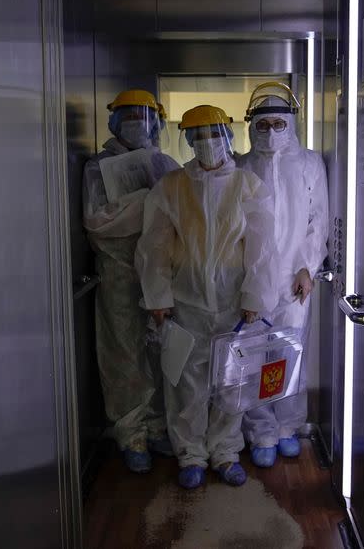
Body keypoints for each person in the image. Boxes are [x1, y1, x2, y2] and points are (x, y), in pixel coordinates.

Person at [135, 105, 276, 489]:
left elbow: (262, 249)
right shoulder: (172, 186)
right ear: (188, 141)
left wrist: (255, 298)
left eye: (213, 134)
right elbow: (155, 246)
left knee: (233, 382)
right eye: (198, 136)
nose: (207, 143)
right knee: (187, 383)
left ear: (228, 136)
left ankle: (226, 451)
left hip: (233, 304)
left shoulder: (248, 185)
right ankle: (191, 454)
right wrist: (158, 297)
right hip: (186, 303)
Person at [83, 89, 180, 473]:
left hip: (160, 273)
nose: (139, 123)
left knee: (160, 353)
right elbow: (97, 222)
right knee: (124, 356)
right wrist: (145, 201)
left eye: (144, 117)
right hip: (119, 274)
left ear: (156, 121)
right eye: (129, 116)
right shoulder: (98, 167)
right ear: (113, 122)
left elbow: (178, 215)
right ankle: (131, 434)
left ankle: (157, 427)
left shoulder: (165, 163)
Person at [238, 82, 329, 468]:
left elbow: (318, 219)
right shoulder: (241, 166)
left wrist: (308, 266)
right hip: (251, 282)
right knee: (254, 359)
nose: (271, 130)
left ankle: (288, 427)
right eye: (263, 124)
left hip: (295, 280)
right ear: (251, 127)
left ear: (292, 123)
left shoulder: (309, 163)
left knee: (290, 355)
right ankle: (260, 432)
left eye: (279, 122)